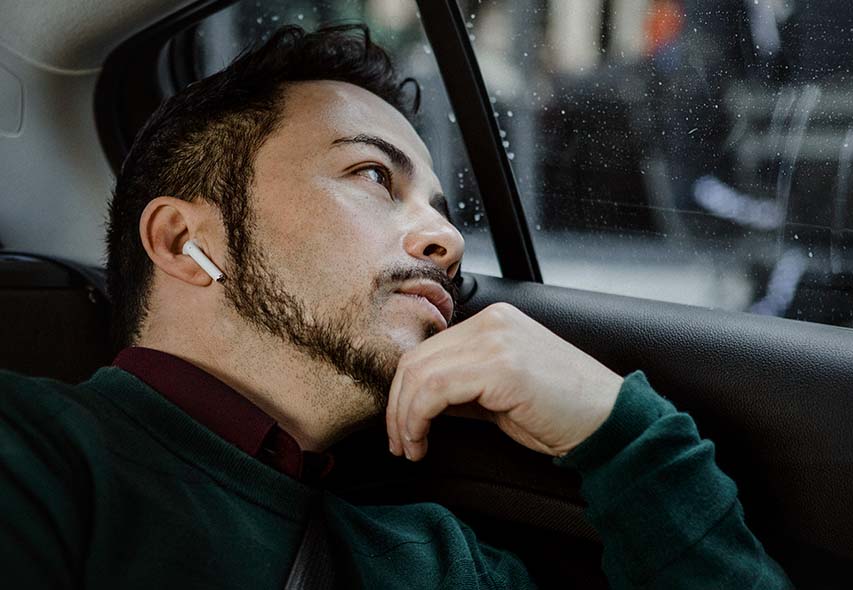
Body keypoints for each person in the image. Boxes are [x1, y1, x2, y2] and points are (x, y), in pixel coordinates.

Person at [0, 24, 791, 589]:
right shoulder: (32, 454)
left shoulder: (443, 562)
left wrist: (619, 433)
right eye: (373, 177)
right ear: (181, 241)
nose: (447, 237)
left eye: (444, 208)